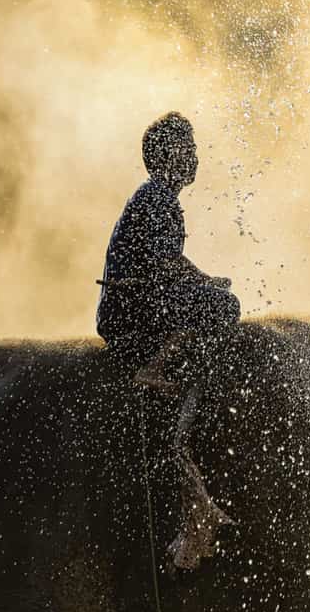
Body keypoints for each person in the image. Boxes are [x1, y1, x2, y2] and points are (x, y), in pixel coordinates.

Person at [97, 112, 242, 569]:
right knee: (224, 308)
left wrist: (204, 279)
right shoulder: (157, 197)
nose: (197, 157)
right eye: (189, 148)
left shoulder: (156, 198)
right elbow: (164, 266)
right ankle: (156, 365)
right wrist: (208, 287)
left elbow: (169, 262)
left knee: (214, 298)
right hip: (133, 312)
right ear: (169, 156)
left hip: (137, 304)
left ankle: (165, 362)